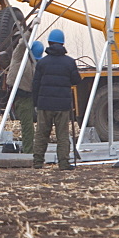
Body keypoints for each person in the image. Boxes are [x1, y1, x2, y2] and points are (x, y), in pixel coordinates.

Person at [31, 29, 81, 171]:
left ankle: (38, 162)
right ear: (63, 43)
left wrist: (36, 103)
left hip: (44, 105)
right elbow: (76, 81)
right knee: (63, 135)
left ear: (49, 42)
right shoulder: (70, 62)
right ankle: (64, 163)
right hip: (62, 105)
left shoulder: (42, 63)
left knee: (42, 134)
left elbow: (35, 85)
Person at [6, 39, 45, 154]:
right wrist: (29, 31)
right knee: (27, 125)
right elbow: (22, 43)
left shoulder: (33, 63)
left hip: (29, 96)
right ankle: (28, 151)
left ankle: (29, 148)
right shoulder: (19, 57)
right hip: (20, 95)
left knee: (29, 126)